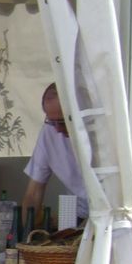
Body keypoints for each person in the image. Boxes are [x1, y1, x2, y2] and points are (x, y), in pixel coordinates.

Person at [22, 82, 89, 222]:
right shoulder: (49, 131)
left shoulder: (101, 129)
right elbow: (33, 193)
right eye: (52, 121)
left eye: (63, 121)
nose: (57, 129)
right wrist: (24, 233)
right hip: (79, 215)